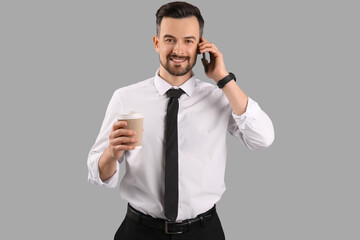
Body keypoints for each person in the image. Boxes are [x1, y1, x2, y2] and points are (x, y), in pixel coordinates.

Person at [87, 1, 274, 239]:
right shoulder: (126, 98)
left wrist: (224, 79)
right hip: (139, 231)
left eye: (188, 40)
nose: (178, 50)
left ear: (200, 46)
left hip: (204, 231)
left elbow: (263, 138)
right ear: (156, 43)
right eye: (169, 39)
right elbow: (96, 173)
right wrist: (111, 155)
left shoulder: (219, 97)